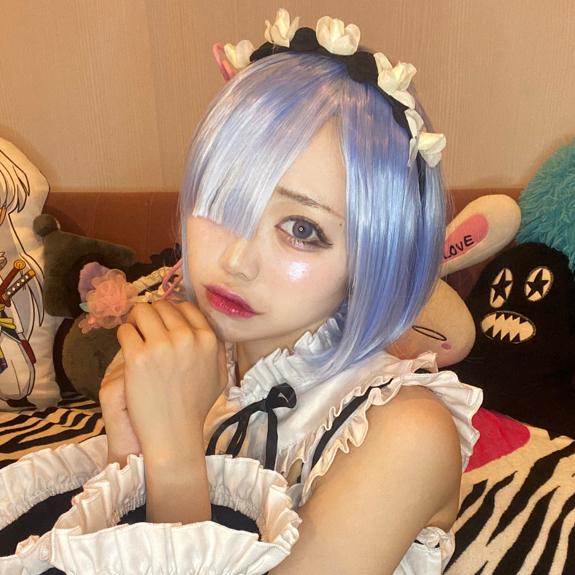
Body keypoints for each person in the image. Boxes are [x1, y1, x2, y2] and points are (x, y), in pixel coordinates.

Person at [0, 10, 482, 575]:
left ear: (376, 257)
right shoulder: (197, 361)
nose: (235, 260)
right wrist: (130, 453)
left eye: (302, 229)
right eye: (224, 200)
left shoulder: (405, 432)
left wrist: (175, 455)